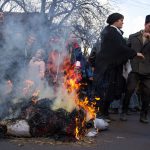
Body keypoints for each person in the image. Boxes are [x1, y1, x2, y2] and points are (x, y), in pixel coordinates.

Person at [94, 13, 144, 122]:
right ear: (115, 21)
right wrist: (134, 53)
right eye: (121, 20)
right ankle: (101, 114)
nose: (122, 22)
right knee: (106, 90)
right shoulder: (111, 32)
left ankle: (105, 113)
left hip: (111, 66)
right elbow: (119, 48)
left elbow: (122, 47)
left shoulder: (114, 32)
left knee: (110, 89)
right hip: (107, 67)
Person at [120, 15, 150, 123]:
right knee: (129, 90)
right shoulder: (133, 36)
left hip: (148, 71)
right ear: (145, 24)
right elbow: (126, 51)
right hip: (134, 68)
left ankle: (144, 115)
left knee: (147, 93)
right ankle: (124, 111)